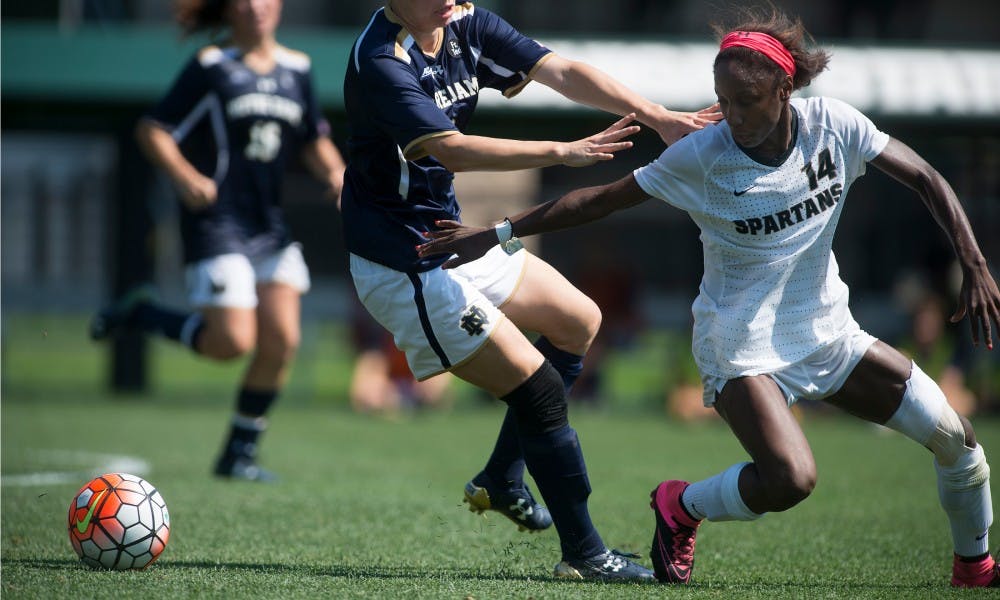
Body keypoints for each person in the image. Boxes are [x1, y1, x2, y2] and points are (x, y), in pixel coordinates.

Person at [416, 5, 1000, 588]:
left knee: (960, 444)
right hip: (740, 345)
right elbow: (600, 200)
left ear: (785, 89)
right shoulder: (703, 156)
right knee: (792, 480)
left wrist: (973, 262)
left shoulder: (835, 126)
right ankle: (681, 506)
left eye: (747, 101)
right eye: (723, 98)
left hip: (830, 333)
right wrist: (496, 234)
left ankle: (975, 569)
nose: (732, 115)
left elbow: (927, 177)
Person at [342, 0, 719, 582]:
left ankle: (500, 476)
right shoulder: (380, 60)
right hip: (406, 266)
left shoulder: (462, 21)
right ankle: (585, 553)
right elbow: (452, 148)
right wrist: (562, 153)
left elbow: (559, 69)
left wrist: (656, 115)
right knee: (538, 387)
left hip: (451, 237)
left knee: (578, 320)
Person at [90, 0, 346, 482]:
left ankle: (238, 454)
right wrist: (185, 176)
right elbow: (154, 131)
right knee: (231, 342)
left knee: (283, 341)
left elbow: (313, 137)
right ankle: (142, 314)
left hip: (269, 226)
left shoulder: (298, 68)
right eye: (243, 1)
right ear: (227, 12)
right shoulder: (211, 67)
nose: (256, 8)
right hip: (217, 222)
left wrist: (336, 173)